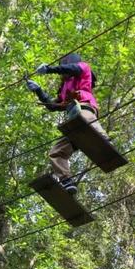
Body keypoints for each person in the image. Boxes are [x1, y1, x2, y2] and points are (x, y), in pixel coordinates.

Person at [26, 53, 108, 195]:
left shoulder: (83, 69)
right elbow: (52, 106)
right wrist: (39, 90)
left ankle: (105, 140)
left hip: (85, 107)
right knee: (56, 153)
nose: (62, 74)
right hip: (75, 125)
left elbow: (73, 69)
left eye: (63, 69)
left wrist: (50, 69)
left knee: (83, 116)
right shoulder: (64, 89)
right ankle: (66, 181)